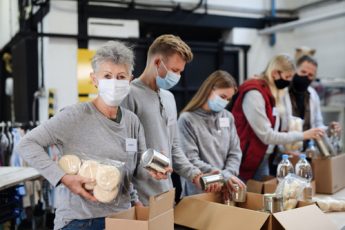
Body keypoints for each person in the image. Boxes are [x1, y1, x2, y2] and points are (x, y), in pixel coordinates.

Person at [17, 41, 152, 230]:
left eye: (121, 76)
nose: (114, 82)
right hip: (81, 221)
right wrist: (63, 177)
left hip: (121, 218)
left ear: (130, 80)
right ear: (94, 79)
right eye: (107, 76)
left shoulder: (132, 121)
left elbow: (129, 171)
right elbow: (27, 144)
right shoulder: (74, 116)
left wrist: (135, 200)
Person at [122, 34, 203, 205]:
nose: (178, 77)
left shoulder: (169, 98)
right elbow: (124, 152)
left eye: (180, 72)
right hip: (139, 199)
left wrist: (194, 174)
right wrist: (131, 198)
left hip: (165, 195)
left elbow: (173, 146)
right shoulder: (129, 95)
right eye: (174, 70)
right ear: (158, 62)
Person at [230, 54, 325, 181]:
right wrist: (303, 135)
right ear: (275, 73)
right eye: (287, 77)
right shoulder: (255, 94)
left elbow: (277, 128)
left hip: (262, 157)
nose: (288, 82)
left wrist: (285, 147)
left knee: (263, 195)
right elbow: (267, 136)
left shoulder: (271, 93)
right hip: (245, 159)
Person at [178, 70, 245, 196]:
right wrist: (223, 175)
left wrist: (228, 175)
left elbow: (235, 152)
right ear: (209, 90)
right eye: (222, 97)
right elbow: (190, 159)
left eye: (228, 99)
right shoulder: (187, 119)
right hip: (199, 191)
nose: (225, 102)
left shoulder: (228, 117)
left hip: (225, 188)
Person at [283, 55, 341, 138]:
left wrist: (329, 129)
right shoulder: (283, 92)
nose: (306, 77)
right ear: (295, 70)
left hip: (306, 147)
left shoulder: (313, 95)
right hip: (284, 146)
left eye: (310, 75)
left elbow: (318, 125)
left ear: (314, 77)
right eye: (303, 72)